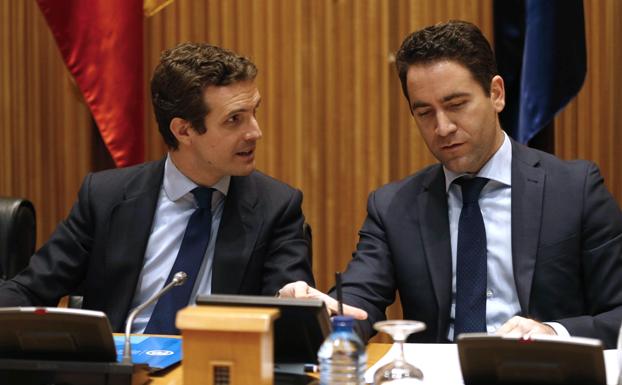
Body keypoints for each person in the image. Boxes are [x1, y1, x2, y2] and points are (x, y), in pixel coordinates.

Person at [280, 20, 622, 348]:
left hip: (542, 369)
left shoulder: (575, 189)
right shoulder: (393, 206)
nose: (442, 128)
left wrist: (553, 332)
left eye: (456, 105)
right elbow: (357, 301)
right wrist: (317, 313)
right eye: (425, 113)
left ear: (496, 94)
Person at [0, 42, 314, 334]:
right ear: (184, 130)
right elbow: (31, 289)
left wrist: (291, 299)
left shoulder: (276, 206)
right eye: (234, 119)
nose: (255, 132)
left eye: (253, 113)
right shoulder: (106, 197)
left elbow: (288, 308)